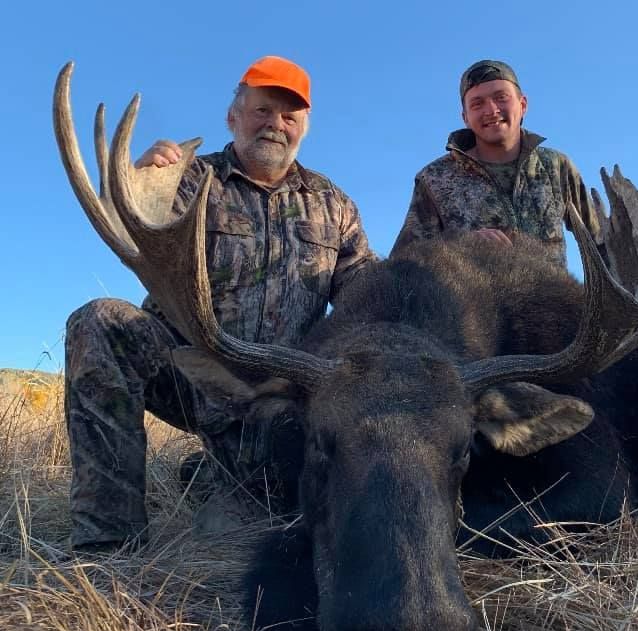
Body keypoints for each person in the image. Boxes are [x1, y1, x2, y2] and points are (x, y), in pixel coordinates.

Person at [64, 55, 376, 552]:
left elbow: (367, 294)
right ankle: (109, 542)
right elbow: (129, 227)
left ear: (304, 128)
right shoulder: (188, 180)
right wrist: (139, 182)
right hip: (193, 373)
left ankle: (214, 474)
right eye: (262, 110)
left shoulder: (332, 204)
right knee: (101, 322)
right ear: (234, 116)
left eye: (289, 116)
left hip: (283, 395)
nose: (275, 123)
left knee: (275, 504)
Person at [391, 59, 601, 267]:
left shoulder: (557, 167)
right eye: (477, 103)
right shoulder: (434, 179)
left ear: (523, 105)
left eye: (501, 97)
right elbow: (402, 265)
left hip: (557, 299)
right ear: (465, 117)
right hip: (473, 300)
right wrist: (459, 247)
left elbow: (600, 242)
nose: (491, 110)